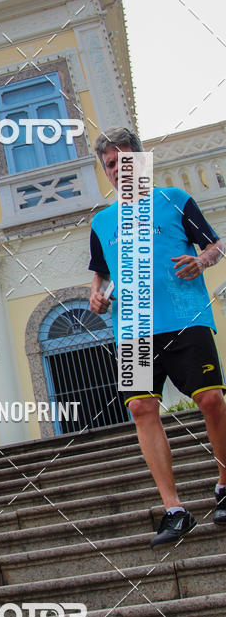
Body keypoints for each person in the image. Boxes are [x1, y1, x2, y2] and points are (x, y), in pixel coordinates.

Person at [88, 126, 226, 547]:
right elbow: (101, 272)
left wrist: (201, 260)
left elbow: (215, 246)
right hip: (132, 330)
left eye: (123, 161)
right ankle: (174, 508)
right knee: (143, 411)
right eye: (110, 165)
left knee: (211, 399)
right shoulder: (101, 221)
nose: (116, 170)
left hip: (185, 317)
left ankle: (224, 484)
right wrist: (96, 295)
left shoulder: (176, 201)